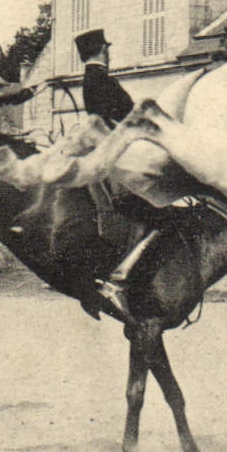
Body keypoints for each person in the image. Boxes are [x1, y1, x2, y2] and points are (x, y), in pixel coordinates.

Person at [75, 28, 146, 320]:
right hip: (116, 154)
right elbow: (117, 118)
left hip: (104, 150)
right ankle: (120, 275)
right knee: (149, 211)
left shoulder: (91, 79)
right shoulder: (102, 80)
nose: (109, 51)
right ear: (103, 50)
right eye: (107, 47)